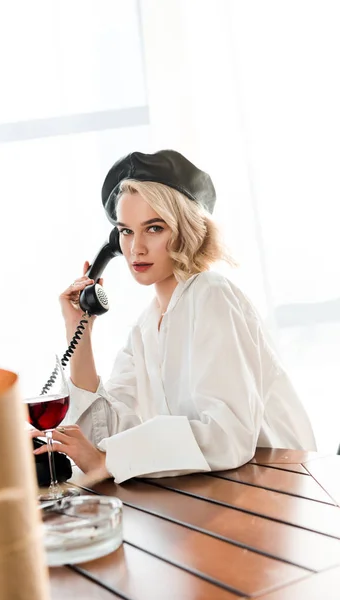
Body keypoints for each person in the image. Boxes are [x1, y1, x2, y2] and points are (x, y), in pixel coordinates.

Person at [32, 150, 316, 484]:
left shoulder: (212, 295)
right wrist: (79, 327)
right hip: (215, 491)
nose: (135, 248)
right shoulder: (145, 327)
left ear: (186, 230)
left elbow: (226, 433)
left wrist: (111, 459)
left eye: (153, 228)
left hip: (278, 488)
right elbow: (106, 432)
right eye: (125, 231)